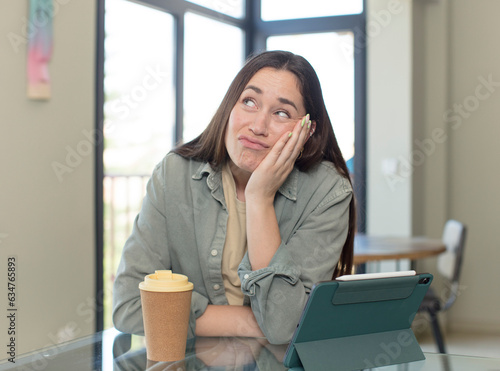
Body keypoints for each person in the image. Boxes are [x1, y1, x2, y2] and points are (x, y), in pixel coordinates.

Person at [112, 50, 356, 345]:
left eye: (281, 113)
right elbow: (129, 306)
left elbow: (281, 328)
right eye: (249, 102)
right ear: (230, 106)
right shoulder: (174, 174)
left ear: (306, 131)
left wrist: (260, 198)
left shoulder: (327, 191)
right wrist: (249, 322)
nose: (258, 126)